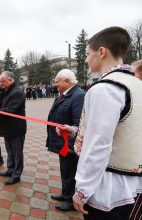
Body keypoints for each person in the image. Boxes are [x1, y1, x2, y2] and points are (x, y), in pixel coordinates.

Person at [59, 27, 142, 220]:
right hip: (133, 182)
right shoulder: (136, 85)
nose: (86, 59)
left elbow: (98, 144)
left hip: (109, 185)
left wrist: (82, 190)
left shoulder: (105, 89)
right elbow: (124, 127)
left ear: (101, 52)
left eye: (88, 54)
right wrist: (73, 130)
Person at [46, 69, 85, 211]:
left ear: (67, 81)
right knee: (65, 169)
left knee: (71, 171)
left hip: (69, 143)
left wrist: (70, 144)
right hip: (61, 141)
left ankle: (70, 201)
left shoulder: (78, 96)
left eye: (57, 81)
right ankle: (65, 193)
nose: (55, 84)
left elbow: (79, 123)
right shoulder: (64, 94)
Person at [0, 71, 27, 185]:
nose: (0, 83)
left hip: (16, 128)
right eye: (0, 81)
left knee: (17, 153)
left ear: (11, 80)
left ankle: (16, 175)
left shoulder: (17, 92)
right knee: (10, 151)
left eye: (3, 81)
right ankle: (10, 169)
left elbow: (9, 110)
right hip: (7, 128)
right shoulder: (5, 91)